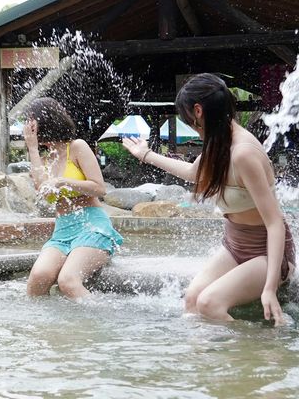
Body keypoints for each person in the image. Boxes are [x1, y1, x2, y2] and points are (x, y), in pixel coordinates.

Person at [122, 73, 295, 325]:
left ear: (198, 111)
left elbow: (274, 222)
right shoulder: (218, 141)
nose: (190, 125)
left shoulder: (243, 153)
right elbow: (193, 173)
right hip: (235, 246)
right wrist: (145, 154)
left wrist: (269, 288)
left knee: (209, 303)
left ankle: (255, 349)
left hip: (267, 255)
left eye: (187, 119)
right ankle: (205, 359)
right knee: (192, 299)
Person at [24, 97, 123, 298]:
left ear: (45, 121)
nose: (28, 128)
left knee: (67, 281)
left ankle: (100, 324)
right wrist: (32, 149)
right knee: (38, 278)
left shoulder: (77, 147)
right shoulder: (44, 159)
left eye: (31, 122)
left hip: (91, 225)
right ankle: (44, 328)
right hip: (62, 231)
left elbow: (99, 188)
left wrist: (64, 181)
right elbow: (43, 190)